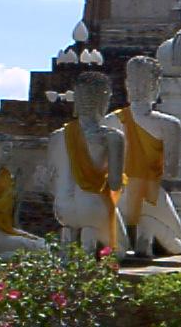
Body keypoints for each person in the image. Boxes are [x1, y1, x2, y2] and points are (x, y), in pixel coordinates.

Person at [105, 56, 181, 257]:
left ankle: (124, 238)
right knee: (178, 244)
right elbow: (170, 172)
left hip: (118, 199)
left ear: (126, 85)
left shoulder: (110, 121)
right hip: (151, 197)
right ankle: (147, 228)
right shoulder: (169, 125)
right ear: (156, 87)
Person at [48, 72, 129, 257]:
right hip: (92, 207)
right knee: (120, 251)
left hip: (62, 208)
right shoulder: (111, 137)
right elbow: (115, 183)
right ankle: (89, 249)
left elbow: (51, 181)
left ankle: (67, 247)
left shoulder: (56, 136)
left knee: (67, 252)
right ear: (104, 100)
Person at [0, 140, 45, 258]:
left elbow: (13, 222)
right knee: (34, 246)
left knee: (42, 243)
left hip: (5, 230)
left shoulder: (9, 179)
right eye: (5, 150)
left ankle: (2, 259)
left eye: (11, 151)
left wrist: (23, 233)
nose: (9, 154)